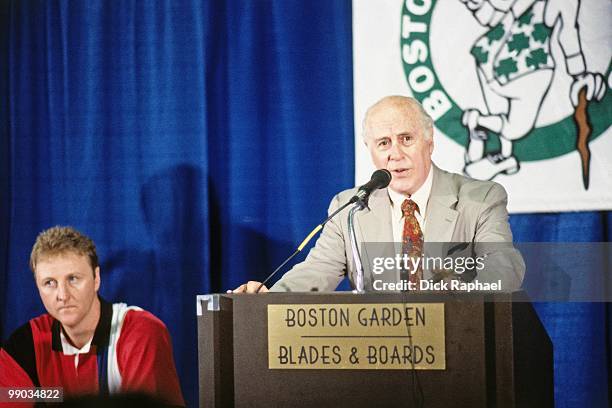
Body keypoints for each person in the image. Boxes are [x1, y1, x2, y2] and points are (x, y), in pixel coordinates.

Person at [232, 96, 525, 293]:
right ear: (370, 150)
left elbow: (504, 266)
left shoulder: (480, 198)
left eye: (406, 139)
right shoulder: (350, 208)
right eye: (383, 143)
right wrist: (271, 296)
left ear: (429, 143)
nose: (395, 155)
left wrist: (459, 295)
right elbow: (318, 270)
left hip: (458, 346)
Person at [0, 226, 184, 406]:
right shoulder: (25, 345)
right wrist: (51, 396)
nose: (63, 295)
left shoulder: (140, 332)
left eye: (73, 279)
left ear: (96, 278)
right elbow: (12, 398)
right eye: (49, 283)